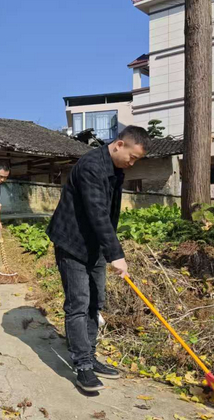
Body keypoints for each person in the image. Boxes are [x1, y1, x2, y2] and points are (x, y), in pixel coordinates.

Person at [47, 126, 149, 393]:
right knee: (79, 303)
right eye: (132, 156)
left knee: (96, 301)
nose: (133, 162)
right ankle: (82, 366)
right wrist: (116, 254)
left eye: (137, 160)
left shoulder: (116, 170)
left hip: (93, 245)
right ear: (118, 144)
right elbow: (97, 213)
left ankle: (90, 356)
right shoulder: (91, 166)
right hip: (72, 242)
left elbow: (108, 216)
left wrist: (107, 250)